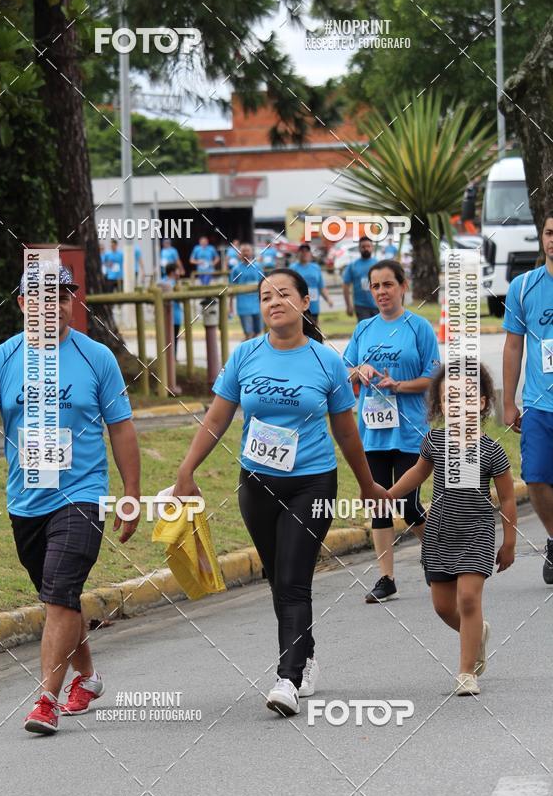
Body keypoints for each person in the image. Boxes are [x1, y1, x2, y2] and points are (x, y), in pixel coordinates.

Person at [172, 268, 387, 717]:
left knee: (292, 578)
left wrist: (367, 485)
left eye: (283, 294)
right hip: (257, 483)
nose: (273, 302)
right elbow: (216, 419)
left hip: (312, 482)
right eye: (265, 296)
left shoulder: (326, 360)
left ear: (305, 303)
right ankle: (304, 654)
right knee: (278, 575)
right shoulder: (245, 355)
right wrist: (187, 470)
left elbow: (346, 432)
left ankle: (287, 678)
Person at [0, 264, 141, 735]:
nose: (51, 305)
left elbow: (121, 429)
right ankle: (89, 677)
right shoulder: (1, 359)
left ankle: (46, 699)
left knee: (59, 593)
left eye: (60, 297)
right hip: (25, 499)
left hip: (82, 492)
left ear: (70, 303)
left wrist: (131, 493)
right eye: (39, 298)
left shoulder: (96, 357)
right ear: (23, 305)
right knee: (59, 597)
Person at [388, 363, 516, 696]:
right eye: (449, 398)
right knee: (444, 607)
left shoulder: (493, 450)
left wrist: (510, 543)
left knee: (469, 600)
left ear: (483, 402)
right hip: (440, 533)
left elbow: (507, 499)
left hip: (476, 532)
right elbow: (417, 474)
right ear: (440, 405)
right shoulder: (434, 440)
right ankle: (477, 635)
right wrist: (387, 495)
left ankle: (465, 672)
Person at [343, 259, 440, 603]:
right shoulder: (364, 328)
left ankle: (435, 557)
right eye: (375, 286)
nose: (382, 292)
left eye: (388, 284)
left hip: (411, 429)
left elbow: (433, 377)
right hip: (372, 431)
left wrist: (399, 385)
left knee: (406, 502)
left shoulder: (419, 327)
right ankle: (386, 578)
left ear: (402, 286)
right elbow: (344, 371)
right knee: (378, 504)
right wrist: (360, 369)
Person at [503, 212, 553, 584]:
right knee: (535, 478)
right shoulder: (524, 287)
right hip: (539, 404)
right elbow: (513, 345)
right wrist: (509, 401)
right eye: (549, 233)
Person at [289, 244, 332, 327]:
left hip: (313, 306)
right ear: (298, 253)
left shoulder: (316, 268)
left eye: (307, 251)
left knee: (314, 330)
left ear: (310, 254)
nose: (304, 253)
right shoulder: (293, 268)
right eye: (302, 251)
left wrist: (328, 299)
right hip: (299, 306)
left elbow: (321, 286)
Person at [229, 243, 264, 340]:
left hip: (257, 304)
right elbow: (232, 287)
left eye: (247, 250)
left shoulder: (258, 267)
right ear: (239, 254)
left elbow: (264, 285)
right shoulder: (236, 270)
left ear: (252, 252)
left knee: (258, 331)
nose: (245, 253)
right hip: (243, 305)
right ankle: (247, 351)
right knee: (248, 333)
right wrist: (230, 305)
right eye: (243, 251)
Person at [342, 236, 379, 321]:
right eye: (363, 247)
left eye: (368, 246)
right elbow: (345, 285)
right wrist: (348, 305)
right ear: (359, 248)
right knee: (365, 332)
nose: (366, 249)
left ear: (372, 247)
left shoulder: (378, 264)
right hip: (361, 306)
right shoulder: (353, 266)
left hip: (378, 305)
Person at [162, 262, 184, 356]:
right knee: (174, 339)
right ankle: (173, 358)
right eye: (177, 270)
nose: (179, 272)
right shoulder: (173, 285)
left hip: (165, 316)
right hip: (175, 317)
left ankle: (169, 359)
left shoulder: (161, 282)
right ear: (172, 272)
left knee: (167, 339)